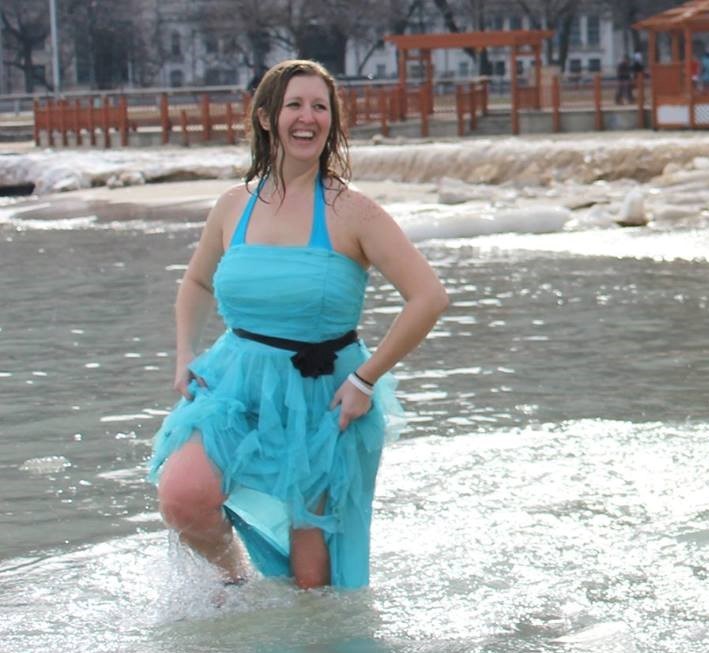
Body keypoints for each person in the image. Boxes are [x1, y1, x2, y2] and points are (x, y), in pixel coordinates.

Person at [148, 59, 448, 591]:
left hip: (324, 396)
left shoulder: (353, 211)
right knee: (182, 497)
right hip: (236, 384)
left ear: (332, 121)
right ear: (267, 117)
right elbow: (196, 282)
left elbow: (429, 297)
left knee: (315, 584)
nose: (307, 117)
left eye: (319, 107)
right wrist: (184, 353)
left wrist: (365, 380)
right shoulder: (233, 205)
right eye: (294, 104)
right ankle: (235, 583)